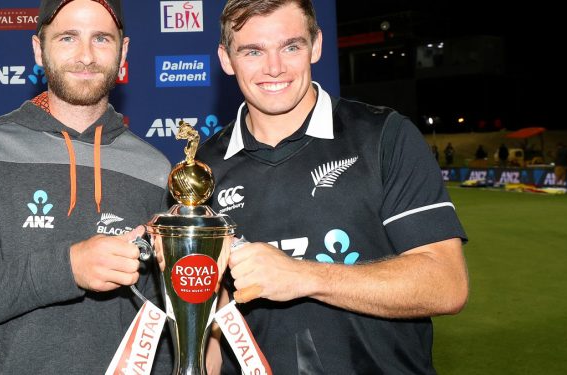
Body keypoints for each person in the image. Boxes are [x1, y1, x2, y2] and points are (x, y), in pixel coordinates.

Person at [198, 0, 469, 373]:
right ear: (227, 59)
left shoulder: (383, 136)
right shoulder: (201, 171)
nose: (274, 67)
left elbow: (446, 283)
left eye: (291, 46)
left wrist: (303, 276)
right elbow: (212, 320)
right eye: (253, 51)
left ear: (317, 44)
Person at [0, 1, 171, 373]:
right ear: (39, 49)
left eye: (102, 39)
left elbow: (159, 315)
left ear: (124, 51)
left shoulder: (155, 168)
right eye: (68, 38)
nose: (86, 56)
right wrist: (69, 268)